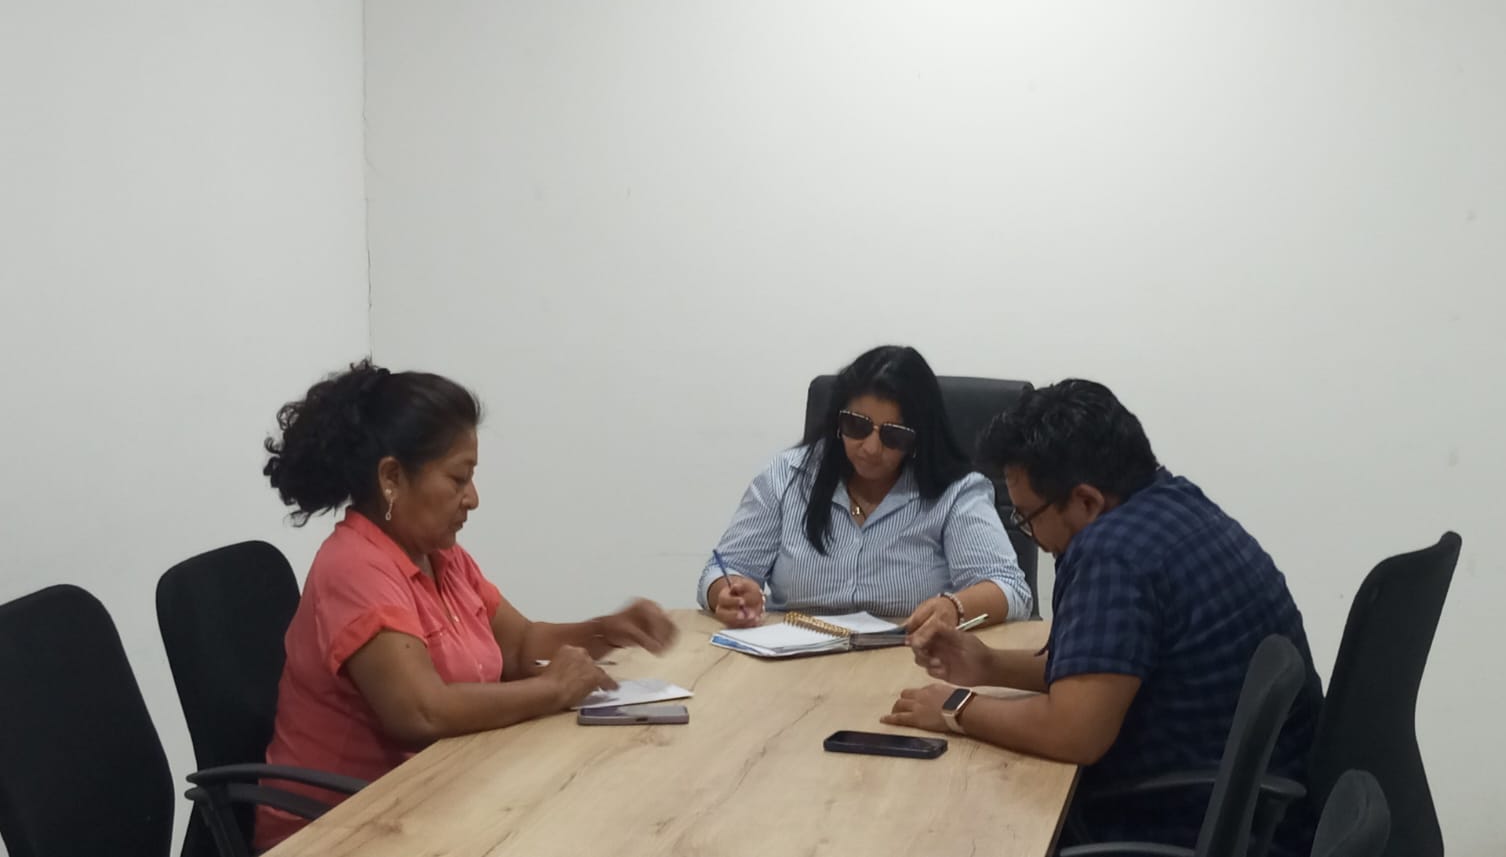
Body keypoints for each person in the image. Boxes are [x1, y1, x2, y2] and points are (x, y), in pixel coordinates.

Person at [883, 379, 1322, 855]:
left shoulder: (1113, 555)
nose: (1032, 536)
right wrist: (989, 665)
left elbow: (1074, 732)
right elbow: (1103, 670)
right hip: (1251, 811)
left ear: (1086, 501)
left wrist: (955, 708)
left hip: (1176, 823)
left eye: (1027, 517)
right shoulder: (1171, 502)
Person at [256, 360, 677, 848]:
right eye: (458, 479)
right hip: (339, 830)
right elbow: (421, 712)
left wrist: (607, 629)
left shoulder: (440, 555)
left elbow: (520, 645)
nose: (473, 498)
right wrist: (552, 689)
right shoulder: (353, 566)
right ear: (392, 477)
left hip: (436, 795)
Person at [696, 345, 1032, 632]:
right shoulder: (787, 475)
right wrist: (727, 593)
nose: (870, 448)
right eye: (857, 426)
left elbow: (1010, 589)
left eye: (893, 435)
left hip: (911, 658)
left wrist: (954, 607)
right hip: (795, 661)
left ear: (919, 439)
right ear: (837, 421)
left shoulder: (955, 492)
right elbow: (722, 570)